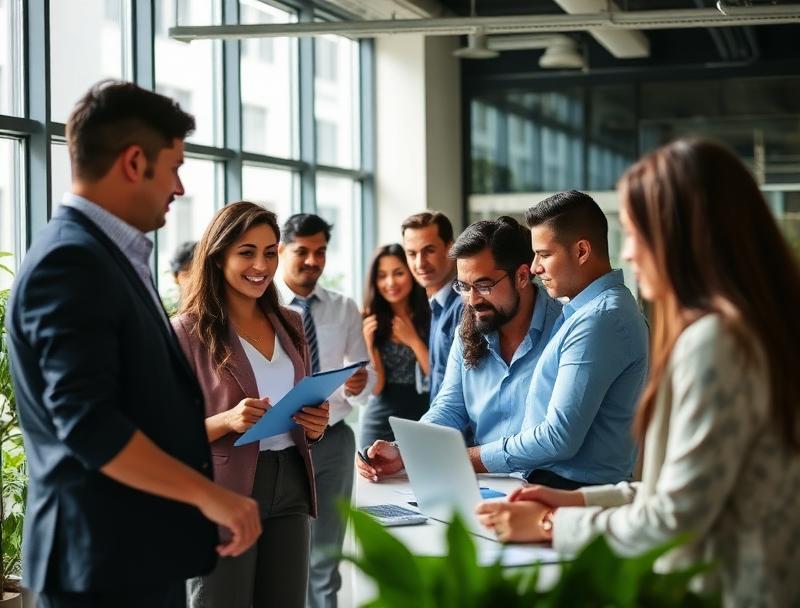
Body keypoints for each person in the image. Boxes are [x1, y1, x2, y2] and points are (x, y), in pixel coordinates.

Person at [476, 139, 800, 606]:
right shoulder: (748, 332)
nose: (627, 252)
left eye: (636, 233)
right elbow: (680, 493)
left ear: (683, 237)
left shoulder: (718, 344)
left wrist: (550, 525)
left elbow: (674, 520)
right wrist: (577, 503)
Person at [4, 81, 260, 608]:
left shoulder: (108, 255)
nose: (180, 187)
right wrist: (211, 497)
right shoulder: (71, 263)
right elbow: (89, 424)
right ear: (133, 161)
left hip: (131, 555)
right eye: (174, 167)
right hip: (100, 565)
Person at [173, 202, 330, 608]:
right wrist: (227, 419)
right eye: (247, 252)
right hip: (224, 488)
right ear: (218, 254)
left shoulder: (290, 322)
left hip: (291, 480)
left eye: (270, 251)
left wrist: (315, 425)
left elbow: (302, 400)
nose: (261, 264)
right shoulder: (187, 331)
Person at [357, 217, 562, 482]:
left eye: (484, 285)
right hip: (487, 484)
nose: (472, 300)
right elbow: (449, 407)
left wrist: (456, 457)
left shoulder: (564, 328)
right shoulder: (468, 330)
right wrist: (404, 450)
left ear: (522, 276)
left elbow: (555, 436)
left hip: (549, 487)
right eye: (464, 287)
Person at [474, 191, 649, 489]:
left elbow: (558, 438)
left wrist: (469, 458)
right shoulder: (585, 312)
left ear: (581, 251)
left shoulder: (600, 319)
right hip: (553, 488)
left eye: (544, 254)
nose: (534, 268)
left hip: (570, 496)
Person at [275, 213, 376, 608]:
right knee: (287, 555)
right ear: (282, 251)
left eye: (320, 252)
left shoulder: (343, 307)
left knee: (327, 555)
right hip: (281, 443)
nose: (312, 261)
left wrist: (357, 385)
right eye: (302, 251)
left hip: (334, 439)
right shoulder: (263, 308)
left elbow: (363, 382)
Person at [359, 244, 430, 446]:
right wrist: (370, 345)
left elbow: (438, 376)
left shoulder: (431, 315)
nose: (390, 283)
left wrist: (413, 340)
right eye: (382, 276)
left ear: (410, 272)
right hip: (380, 421)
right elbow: (377, 387)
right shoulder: (367, 319)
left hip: (424, 417)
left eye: (398, 273)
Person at [401, 211, 463, 399]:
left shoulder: (464, 305)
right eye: (412, 254)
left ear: (450, 248)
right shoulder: (436, 305)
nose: (420, 263)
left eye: (429, 250)